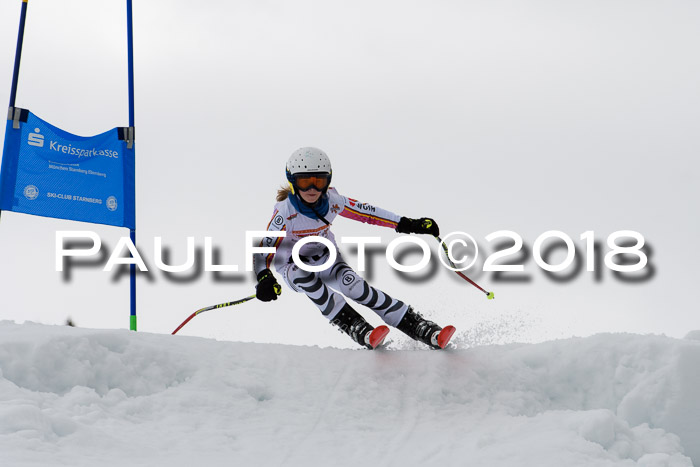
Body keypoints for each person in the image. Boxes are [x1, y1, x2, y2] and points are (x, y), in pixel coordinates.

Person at [253, 147, 455, 349]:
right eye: (305, 182)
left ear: (328, 181)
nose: (312, 189)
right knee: (304, 277)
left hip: (327, 258)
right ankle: (356, 327)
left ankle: (421, 327)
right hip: (292, 265)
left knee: (356, 287)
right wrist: (263, 276)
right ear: (293, 182)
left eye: (319, 181)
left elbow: (369, 213)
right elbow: (264, 251)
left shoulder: (333, 201)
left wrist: (407, 223)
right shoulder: (284, 212)